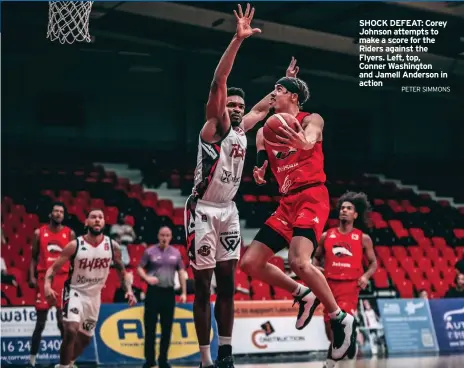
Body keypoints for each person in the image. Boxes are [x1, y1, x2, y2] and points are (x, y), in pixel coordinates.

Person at [240, 76, 358, 361]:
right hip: (286, 203)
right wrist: (258, 174)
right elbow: (262, 165)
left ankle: (339, 317)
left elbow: (311, 137)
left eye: (278, 90)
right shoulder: (265, 132)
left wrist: (304, 141)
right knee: (250, 263)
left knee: (299, 260)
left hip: (312, 196)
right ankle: (302, 293)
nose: (272, 95)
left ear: (292, 96)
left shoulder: (311, 118)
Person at [44, 208, 136, 368]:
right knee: (71, 330)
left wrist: (129, 290)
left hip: (94, 296)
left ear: (104, 222)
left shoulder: (112, 246)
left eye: (100, 217)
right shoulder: (75, 245)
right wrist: (47, 286)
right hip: (74, 292)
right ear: (86, 222)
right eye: (93, 217)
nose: (97, 220)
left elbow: (122, 272)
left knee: (85, 339)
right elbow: (52, 269)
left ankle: (68, 363)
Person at [313, 192, 378, 367]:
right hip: (328, 286)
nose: (344, 210)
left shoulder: (363, 238)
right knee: (330, 331)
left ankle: (332, 363)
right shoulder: (327, 236)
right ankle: (349, 344)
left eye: (349, 208)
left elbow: (373, 263)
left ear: (355, 215)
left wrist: (365, 276)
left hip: (350, 286)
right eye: (342, 208)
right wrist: (316, 269)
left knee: (339, 326)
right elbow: (316, 258)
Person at [27, 202, 75, 368]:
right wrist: (31, 276)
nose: (58, 213)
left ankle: (67, 361)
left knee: (62, 323)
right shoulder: (39, 233)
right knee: (40, 323)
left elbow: (74, 259)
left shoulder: (70, 233)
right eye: (55, 210)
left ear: (64, 215)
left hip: (62, 280)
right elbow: (33, 257)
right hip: (44, 279)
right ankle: (32, 360)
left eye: (61, 211)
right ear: (50, 214)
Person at [137, 226, 187, 368]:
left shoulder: (176, 253)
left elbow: (182, 272)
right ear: (158, 236)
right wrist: (147, 278)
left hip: (168, 293)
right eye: (162, 235)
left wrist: (183, 292)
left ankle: (163, 360)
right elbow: (140, 268)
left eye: (167, 235)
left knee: (167, 328)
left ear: (170, 237)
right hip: (153, 293)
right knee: (150, 327)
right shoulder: (150, 251)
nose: (164, 238)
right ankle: (150, 360)